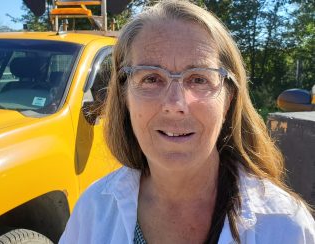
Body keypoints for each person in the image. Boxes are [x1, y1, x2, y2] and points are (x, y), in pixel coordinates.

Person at [59, 0, 315, 243]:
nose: (175, 104)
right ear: (124, 96)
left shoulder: (285, 227)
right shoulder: (93, 211)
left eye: (199, 79)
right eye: (150, 78)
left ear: (228, 101)